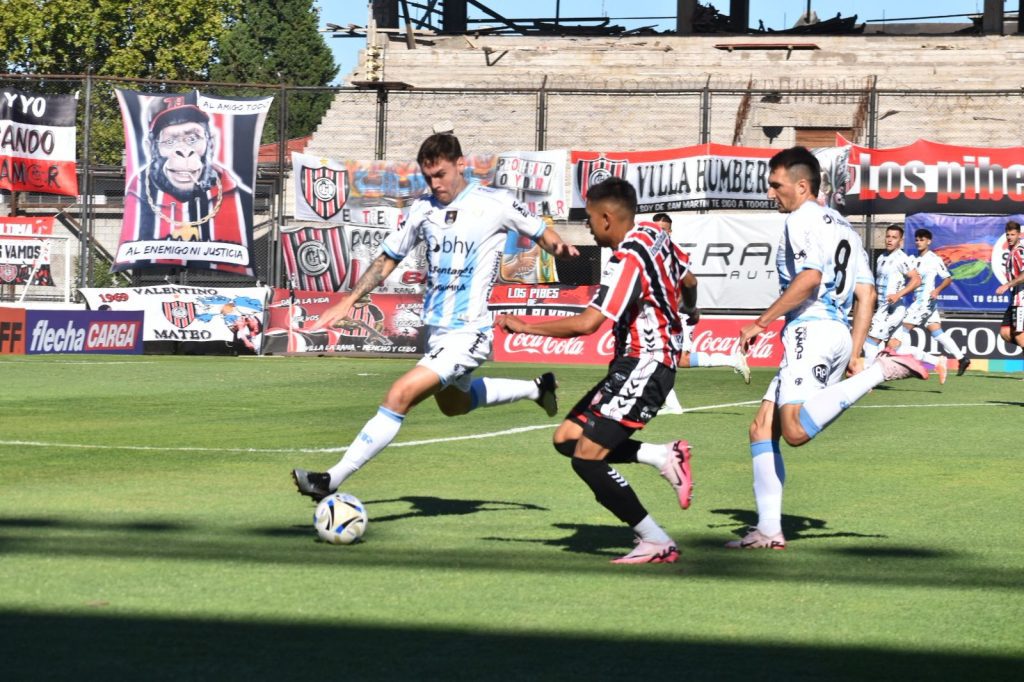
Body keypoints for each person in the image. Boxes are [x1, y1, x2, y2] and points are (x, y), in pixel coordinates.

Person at [291, 132, 578, 500]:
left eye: (440, 174)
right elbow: (388, 257)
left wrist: (560, 248)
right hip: (436, 331)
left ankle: (329, 479)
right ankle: (537, 388)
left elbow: (541, 232)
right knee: (454, 407)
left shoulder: (496, 202)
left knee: (400, 395)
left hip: (469, 332)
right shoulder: (422, 209)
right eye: (428, 177)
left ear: (461, 164)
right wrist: (348, 301)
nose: (435, 183)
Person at [727, 147, 929, 551]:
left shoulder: (801, 219)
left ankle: (884, 369)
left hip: (811, 330)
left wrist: (759, 323)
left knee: (795, 429)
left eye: (776, 185)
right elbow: (866, 293)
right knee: (761, 427)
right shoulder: (843, 225)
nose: (771, 193)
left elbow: (808, 279)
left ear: (802, 186)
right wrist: (853, 353)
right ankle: (768, 529)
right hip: (834, 332)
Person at [496, 177, 697, 564]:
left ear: (607, 217)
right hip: (637, 363)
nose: (587, 226)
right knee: (566, 438)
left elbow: (588, 324)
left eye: (589, 218)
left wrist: (525, 326)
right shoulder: (656, 232)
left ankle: (655, 539)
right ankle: (662, 456)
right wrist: (690, 309)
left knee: (587, 459)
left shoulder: (627, 260)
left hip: (645, 365)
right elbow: (689, 279)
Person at [650, 212, 750, 415]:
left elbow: (685, 286)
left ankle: (672, 404)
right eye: (656, 229)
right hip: (670, 313)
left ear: (670, 231)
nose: (659, 233)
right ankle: (672, 403)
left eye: (664, 230)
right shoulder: (653, 254)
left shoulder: (673, 254)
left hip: (679, 315)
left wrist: (680, 309)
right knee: (670, 358)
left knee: (668, 358)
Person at [862, 224, 945, 380]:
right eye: (888, 236)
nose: (890, 240)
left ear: (900, 241)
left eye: (894, 238)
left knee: (871, 340)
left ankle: (867, 379)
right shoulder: (881, 258)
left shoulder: (901, 258)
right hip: (883, 307)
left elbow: (916, 279)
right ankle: (936, 360)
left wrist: (899, 294)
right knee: (896, 346)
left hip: (892, 309)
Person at [889, 228, 971, 377]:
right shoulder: (914, 259)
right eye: (917, 240)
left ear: (929, 241)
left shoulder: (934, 259)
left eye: (922, 240)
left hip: (925, 301)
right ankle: (962, 358)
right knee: (937, 332)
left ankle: (907, 363)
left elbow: (948, 278)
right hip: (920, 301)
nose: (919, 242)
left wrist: (937, 290)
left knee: (904, 329)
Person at [995, 220, 1024, 354]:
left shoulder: (1019, 252)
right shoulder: (1011, 252)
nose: (1009, 237)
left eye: (1013, 234)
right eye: (1008, 234)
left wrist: (1007, 285)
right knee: (1005, 332)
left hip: (1021, 300)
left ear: (1019, 235)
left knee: (1019, 334)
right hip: (1015, 300)